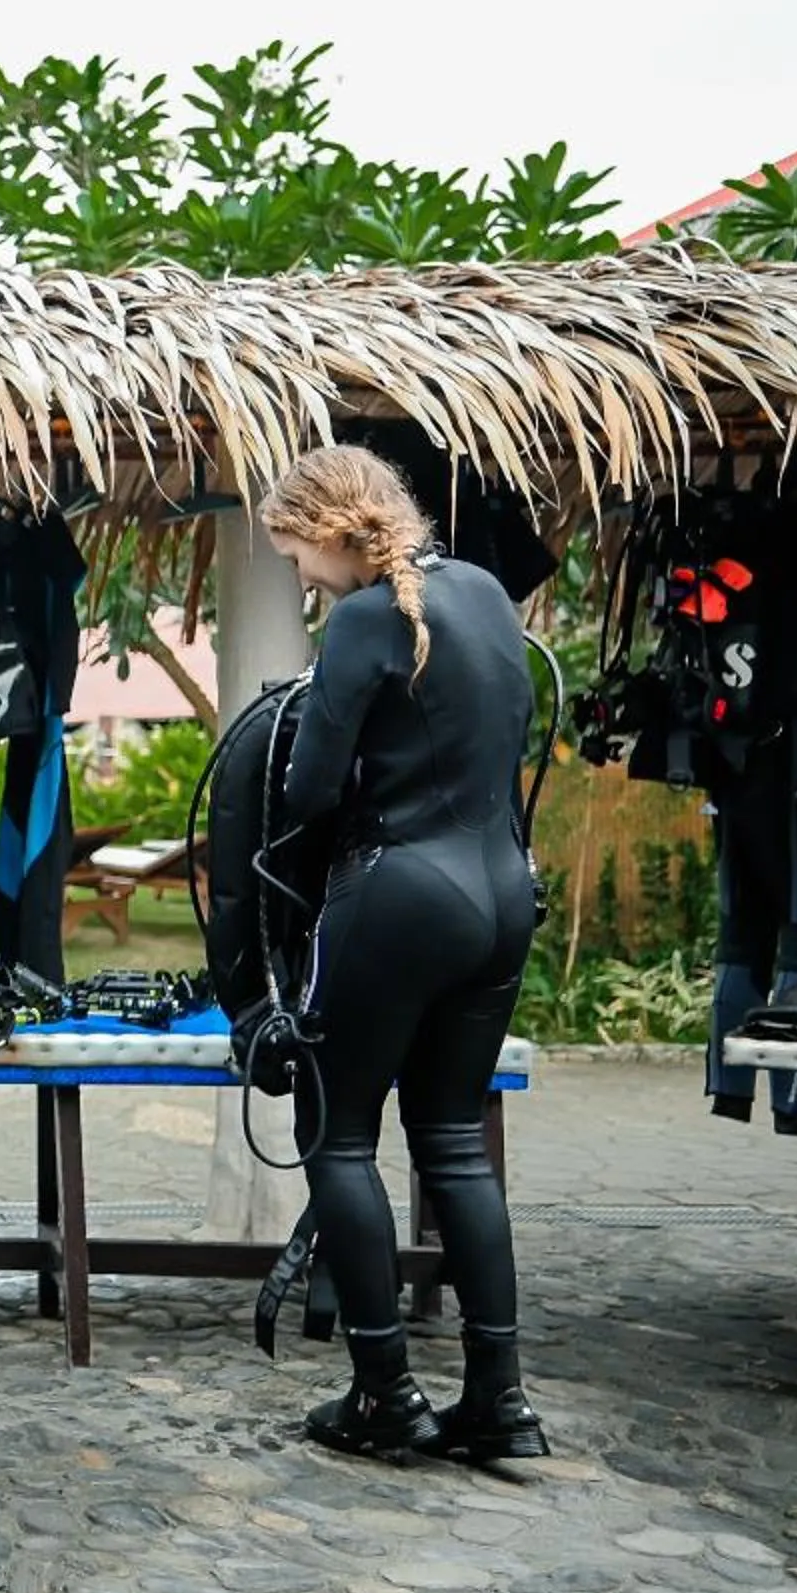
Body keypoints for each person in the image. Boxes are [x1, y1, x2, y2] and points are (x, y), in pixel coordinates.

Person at [262, 445, 546, 1464]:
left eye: (295, 550)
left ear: (335, 528)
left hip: (400, 895)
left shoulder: (365, 620)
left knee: (337, 1137)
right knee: (454, 1142)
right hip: (503, 896)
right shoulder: (488, 596)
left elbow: (307, 792)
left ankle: (384, 1392)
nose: (298, 573)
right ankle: (501, 1403)